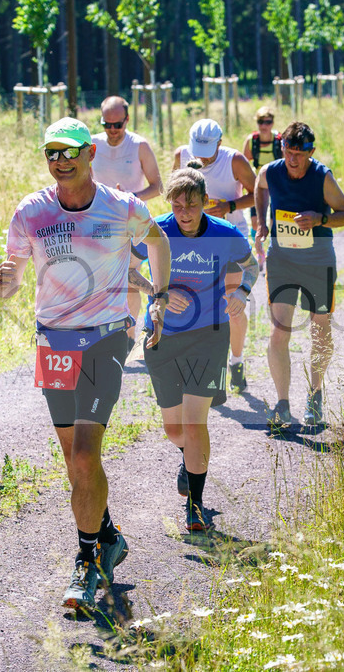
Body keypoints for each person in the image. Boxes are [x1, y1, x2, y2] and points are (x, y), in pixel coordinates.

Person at [0, 117, 172, 611]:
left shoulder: (120, 206)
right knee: (74, 461)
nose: (61, 161)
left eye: (70, 152)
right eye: (52, 153)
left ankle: (87, 561)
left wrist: (158, 294)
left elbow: (157, 240)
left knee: (87, 453)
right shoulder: (31, 212)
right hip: (53, 341)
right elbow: (10, 284)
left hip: (107, 338)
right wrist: (2, 281)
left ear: (90, 155)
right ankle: (108, 535)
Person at [133, 161, 259, 531]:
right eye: (177, 206)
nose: (184, 213)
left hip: (209, 334)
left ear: (205, 201)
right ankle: (187, 458)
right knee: (175, 430)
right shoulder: (157, 231)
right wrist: (158, 293)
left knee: (194, 422)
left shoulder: (224, 233)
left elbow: (251, 266)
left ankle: (197, 506)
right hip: (162, 335)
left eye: (191, 205)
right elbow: (125, 270)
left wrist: (244, 293)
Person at [255, 122, 344, 427]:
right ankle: (282, 403)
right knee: (279, 329)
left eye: (300, 153)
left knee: (319, 328)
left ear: (312, 152)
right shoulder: (270, 171)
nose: (293, 159)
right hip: (282, 260)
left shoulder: (322, 177)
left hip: (317, 261)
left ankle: (315, 393)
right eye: (288, 151)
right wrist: (262, 222)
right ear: (281, 147)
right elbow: (259, 189)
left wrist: (320, 218)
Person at [173, 119, 257, 392]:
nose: (201, 155)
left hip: (228, 238)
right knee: (197, 305)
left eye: (208, 150)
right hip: (191, 241)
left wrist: (230, 205)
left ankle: (236, 359)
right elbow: (174, 193)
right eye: (198, 149)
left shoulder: (235, 160)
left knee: (230, 303)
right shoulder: (181, 155)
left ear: (220, 143)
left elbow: (259, 193)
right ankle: (201, 368)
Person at [90, 96, 163, 354]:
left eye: (117, 125)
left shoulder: (139, 146)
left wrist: (129, 199)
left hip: (131, 223)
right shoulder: (92, 145)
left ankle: (129, 340)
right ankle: (101, 335)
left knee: (130, 279)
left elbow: (158, 186)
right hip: (98, 223)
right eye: (106, 124)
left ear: (127, 120)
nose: (111, 130)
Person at [241, 106, 282, 271]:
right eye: (260, 122)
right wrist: (247, 184)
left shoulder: (279, 140)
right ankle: (260, 254)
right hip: (257, 185)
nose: (264, 125)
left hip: (276, 184)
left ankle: (273, 253)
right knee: (256, 222)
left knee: (273, 221)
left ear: (272, 123)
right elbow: (244, 163)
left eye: (267, 122)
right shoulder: (252, 141)